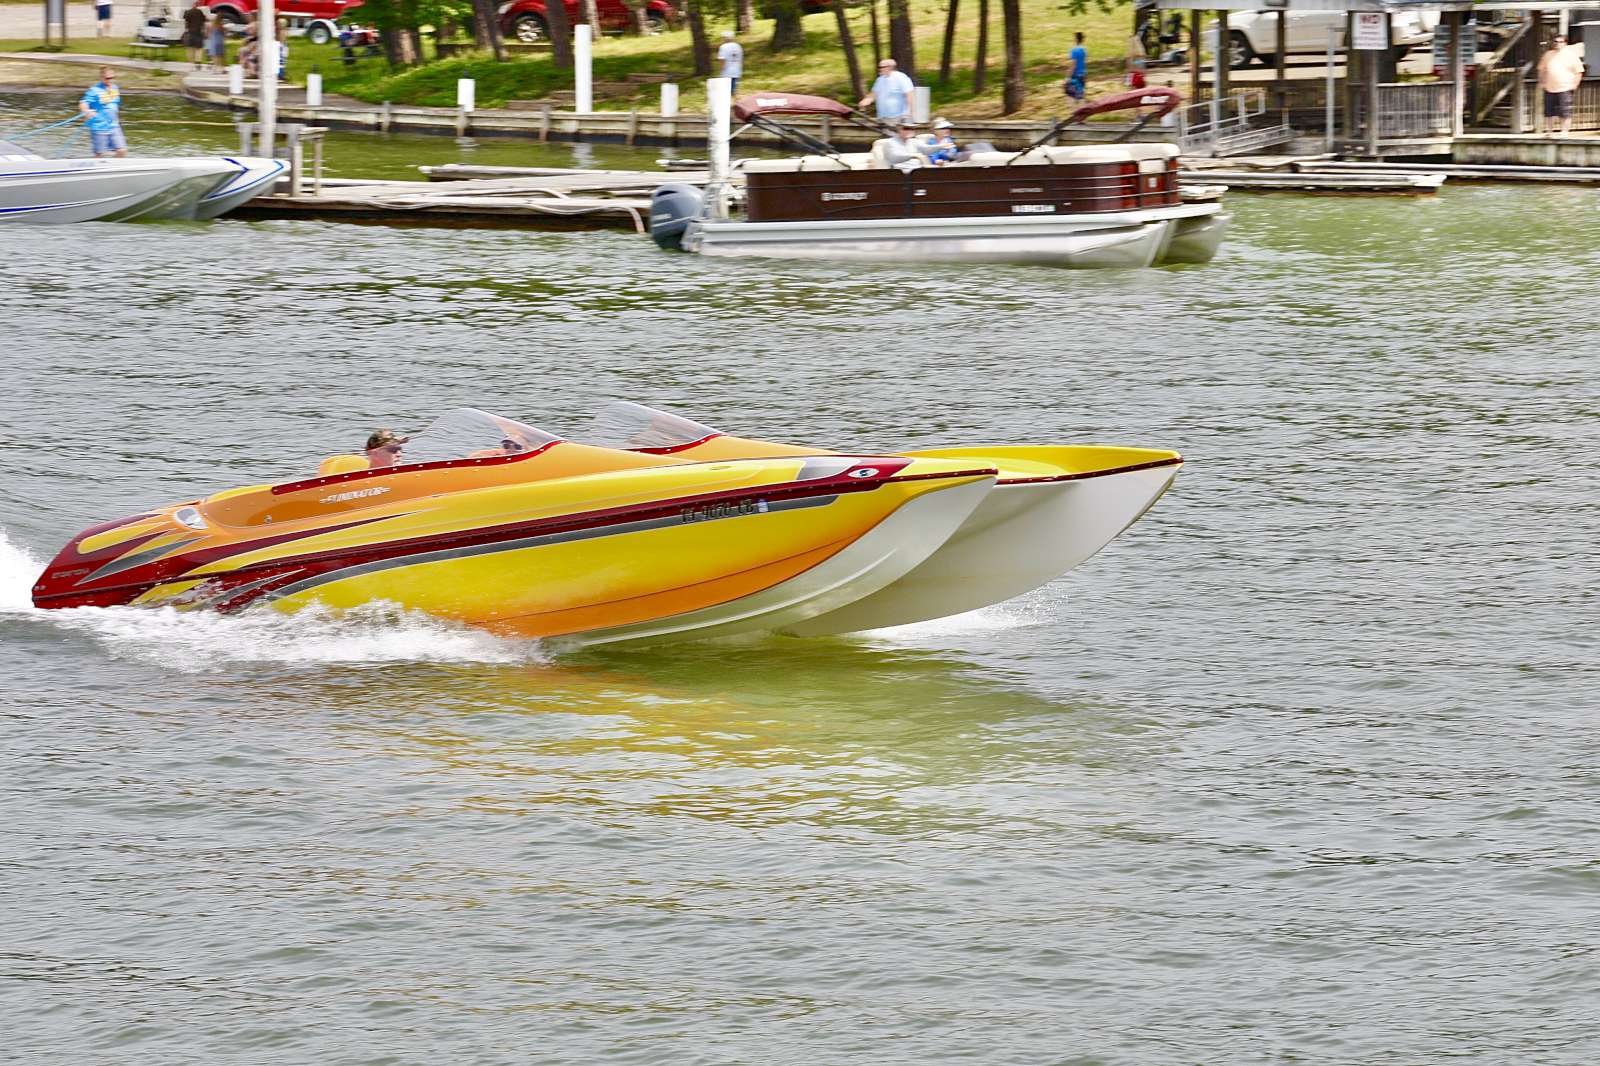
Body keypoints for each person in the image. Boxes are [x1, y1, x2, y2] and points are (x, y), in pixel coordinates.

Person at [1537, 34, 1585, 136]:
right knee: (1549, 111)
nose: (1558, 44)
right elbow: (1541, 69)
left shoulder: (1571, 55)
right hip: (1549, 87)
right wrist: (1542, 82)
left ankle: (1564, 131)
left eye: (1560, 42)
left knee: (1565, 111)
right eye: (1556, 41)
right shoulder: (1548, 55)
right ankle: (1549, 131)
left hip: (1565, 87)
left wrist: (1575, 85)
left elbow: (1579, 71)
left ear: (1565, 43)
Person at [78, 66, 126, 158]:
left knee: (121, 151)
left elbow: (115, 106)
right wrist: (86, 111)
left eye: (112, 78)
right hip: (99, 126)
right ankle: (96, 166)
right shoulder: (94, 90)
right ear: (101, 78)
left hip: (114, 125)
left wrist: (118, 118)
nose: (110, 80)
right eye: (107, 78)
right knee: (100, 155)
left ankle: (112, 166)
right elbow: (83, 103)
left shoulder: (115, 88)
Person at [859, 58, 914, 122]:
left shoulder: (901, 78)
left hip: (898, 117)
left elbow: (910, 94)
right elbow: (874, 94)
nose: (879, 69)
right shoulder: (880, 80)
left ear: (890, 67)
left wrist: (909, 112)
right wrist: (867, 100)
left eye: (882, 67)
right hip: (882, 117)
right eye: (879, 67)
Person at [182, 0, 207, 68]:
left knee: (190, 48)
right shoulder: (200, 12)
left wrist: (186, 29)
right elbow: (204, 21)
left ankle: (191, 62)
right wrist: (204, 30)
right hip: (198, 32)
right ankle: (198, 62)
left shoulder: (188, 12)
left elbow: (186, 22)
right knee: (199, 48)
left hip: (190, 32)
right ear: (197, 5)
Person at [717, 30, 743, 95]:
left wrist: (721, 70)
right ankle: (735, 98)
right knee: (734, 90)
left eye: (723, 38)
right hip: (737, 71)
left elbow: (722, 59)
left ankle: (731, 99)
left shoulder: (723, 47)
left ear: (725, 38)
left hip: (727, 72)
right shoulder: (738, 46)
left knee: (727, 92)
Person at [1066, 32, 1088, 101]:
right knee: (1080, 96)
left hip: (1075, 77)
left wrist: (1068, 77)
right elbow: (1084, 63)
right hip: (1082, 75)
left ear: (1076, 39)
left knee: (1071, 97)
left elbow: (1073, 65)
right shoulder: (1084, 50)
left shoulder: (1074, 50)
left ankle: (1075, 108)